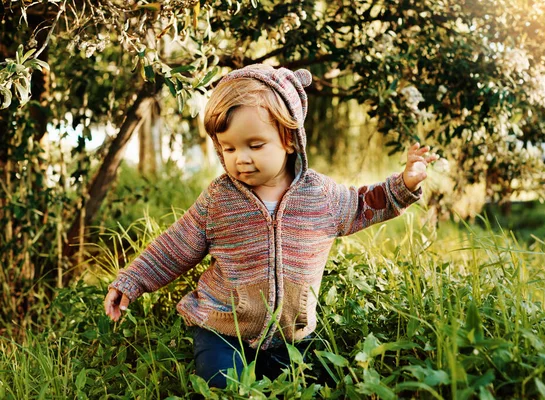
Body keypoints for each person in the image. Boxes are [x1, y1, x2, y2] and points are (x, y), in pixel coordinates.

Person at [104, 64, 438, 388]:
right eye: (229, 147)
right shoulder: (219, 199)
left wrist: (404, 185)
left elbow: (365, 204)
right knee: (223, 383)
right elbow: (175, 246)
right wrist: (132, 281)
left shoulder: (319, 195)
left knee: (316, 382)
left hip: (292, 333)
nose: (241, 158)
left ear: (290, 140)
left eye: (255, 145)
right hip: (223, 327)